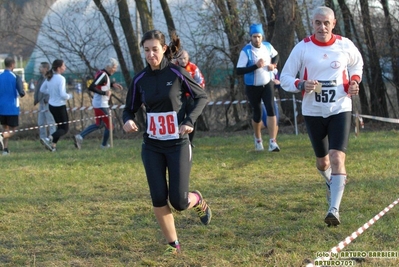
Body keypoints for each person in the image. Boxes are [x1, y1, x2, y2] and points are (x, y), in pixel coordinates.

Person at [123, 30, 211, 255]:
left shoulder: (177, 72)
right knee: (158, 196)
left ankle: (197, 199)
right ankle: (174, 245)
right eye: (146, 50)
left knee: (179, 202)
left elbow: (202, 96)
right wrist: (127, 120)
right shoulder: (140, 80)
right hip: (152, 145)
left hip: (178, 144)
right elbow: (128, 109)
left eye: (155, 49)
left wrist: (190, 120)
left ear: (163, 49)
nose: (151, 54)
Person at [280, 6, 363, 226]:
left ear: (333, 23)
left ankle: (333, 210)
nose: (322, 27)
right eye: (318, 23)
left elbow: (357, 63)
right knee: (322, 162)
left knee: (337, 157)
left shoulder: (345, 44)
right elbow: (285, 77)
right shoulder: (303, 48)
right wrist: (301, 83)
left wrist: (354, 81)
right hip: (313, 111)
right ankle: (330, 183)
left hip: (340, 108)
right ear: (312, 24)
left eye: (326, 23)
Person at [236, 23, 280, 152]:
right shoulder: (246, 51)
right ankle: (258, 139)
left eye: (259, 36)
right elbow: (239, 70)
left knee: (271, 109)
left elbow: (276, 55)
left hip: (267, 83)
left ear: (262, 36)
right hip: (252, 86)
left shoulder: (267, 46)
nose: (257, 39)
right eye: (254, 37)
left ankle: (273, 142)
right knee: (257, 113)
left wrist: (274, 64)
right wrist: (255, 66)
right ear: (251, 37)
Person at [74, 58, 122, 149]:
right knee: (110, 125)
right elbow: (91, 87)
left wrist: (112, 85)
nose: (115, 70)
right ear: (108, 67)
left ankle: (80, 136)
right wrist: (104, 93)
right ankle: (104, 145)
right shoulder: (103, 75)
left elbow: (102, 83)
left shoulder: (103, 74)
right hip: (101, 104)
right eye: (114, 67)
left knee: (99, 124)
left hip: (99, 103)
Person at [40, 59, 73, 152]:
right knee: (65, 129)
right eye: (63, 66)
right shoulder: (61, 78)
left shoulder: (50, 77)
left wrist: (51, 93)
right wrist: (69, 96)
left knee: (60, 127)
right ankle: (48, 139)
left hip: (51, 106)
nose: (65, 67)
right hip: (60, 106)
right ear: (59, 68)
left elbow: (42, 90)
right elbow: (63, 95)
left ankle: (53, 146)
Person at [176, 50, 205, 147]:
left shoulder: (193, 67)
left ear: (188, 58)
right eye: (180, 58)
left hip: (190, 98)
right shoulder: (173, 68)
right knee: (177, 118)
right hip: (178, 98)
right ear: (177, 59)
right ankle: (175, 139)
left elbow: (200, 81)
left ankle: (190, 142)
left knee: (191, 119)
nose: (183, 61)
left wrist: (197, 90)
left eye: (184, 58)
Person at [0, 57, 25, 155]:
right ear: (12, 65)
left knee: (5, 128)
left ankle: (5, 150)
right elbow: (21, 93)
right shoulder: (15, 77)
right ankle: (1, 136)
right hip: (12, 107)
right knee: (12, 130)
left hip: (1, 107)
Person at [34, 62, 56, 143]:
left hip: (48, 103)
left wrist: (47, 99)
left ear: (45, 68)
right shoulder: (40, 78)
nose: (39, 69)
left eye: (41, 67)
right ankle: (43, 138)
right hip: (41, 103)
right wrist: (36, 98)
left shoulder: (50, 78)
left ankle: (52, 138)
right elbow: (37, 89)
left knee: (50, 121)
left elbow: (51, 89)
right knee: (41, 122)